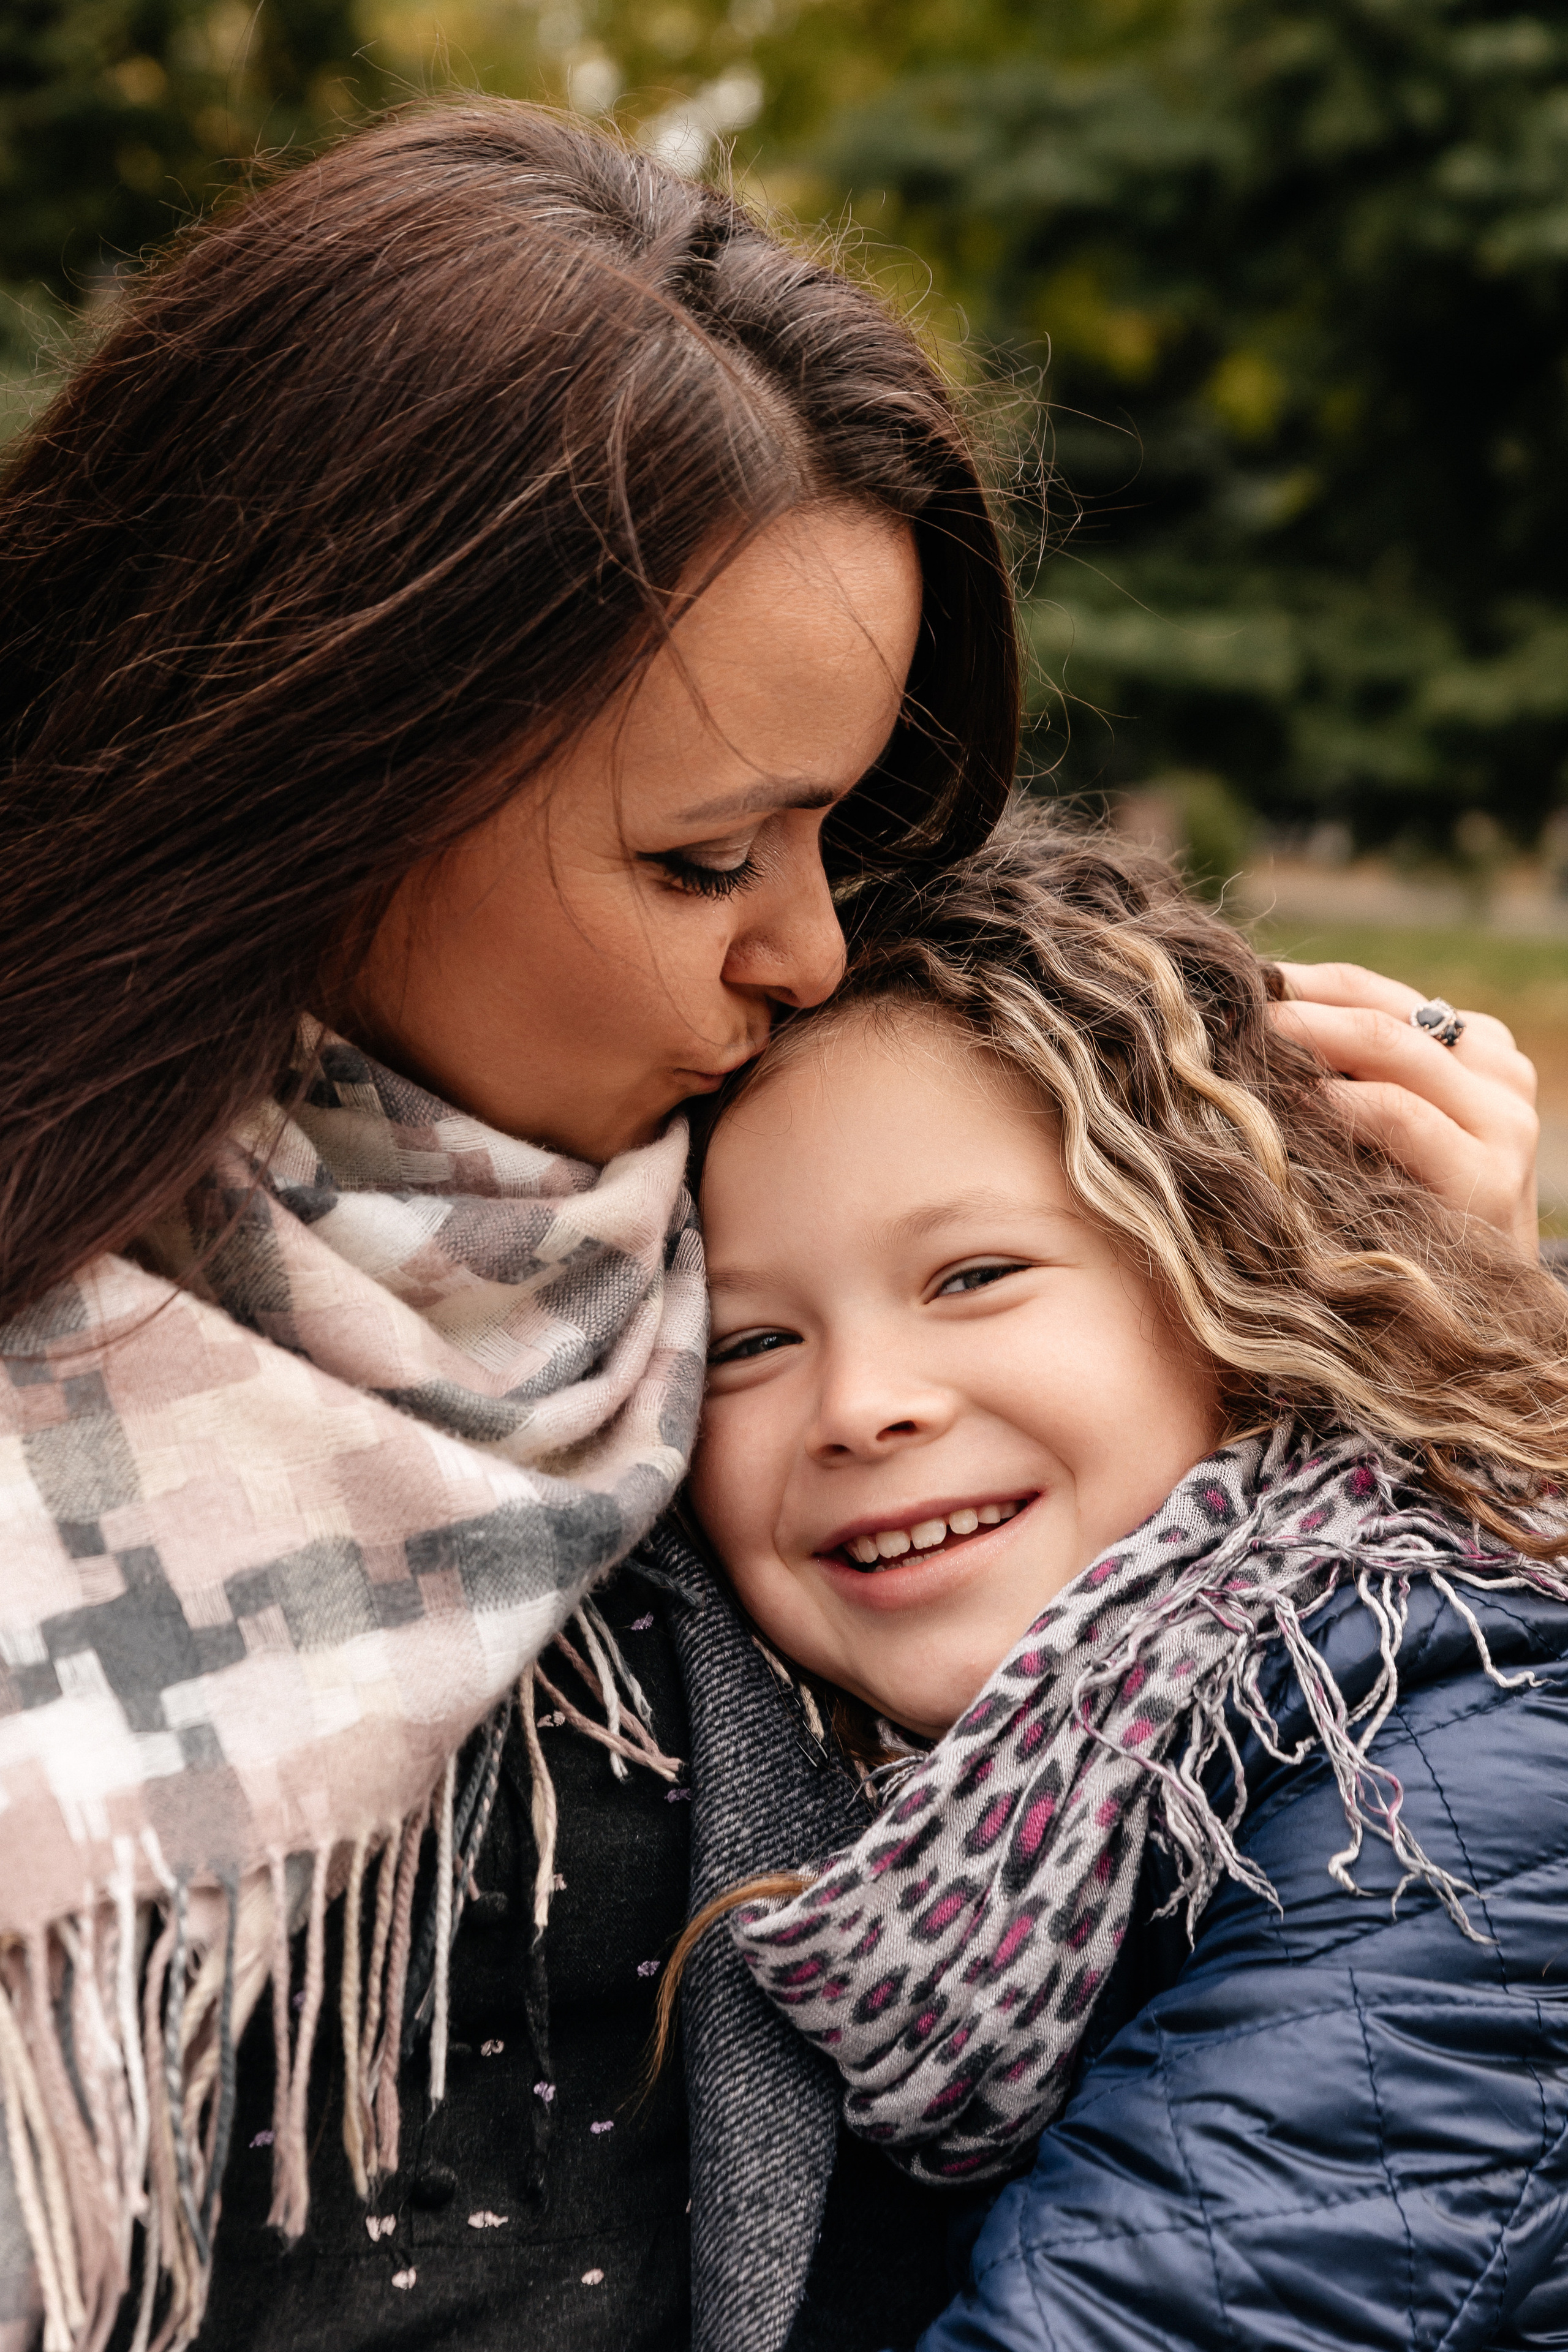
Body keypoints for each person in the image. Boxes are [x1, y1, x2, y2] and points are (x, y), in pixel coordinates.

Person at [0, 91, 1544, 2352]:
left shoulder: (786, 1225)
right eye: (705, 860)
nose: (809, 952)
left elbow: (1337, 1890)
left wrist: (1384, 1354)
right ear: (324, 786)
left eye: (835, 834)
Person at [669, 804, 1568, 2350]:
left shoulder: (1439, 1771)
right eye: (750, 1342)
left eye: (973, 1276)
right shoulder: (939, 1801)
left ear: (1235, 1273)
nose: (859, 1402)